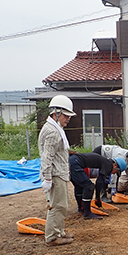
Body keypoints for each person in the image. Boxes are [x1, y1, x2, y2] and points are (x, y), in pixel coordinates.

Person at [38, 95, 77, 247]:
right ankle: (52, 236)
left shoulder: (55, 128)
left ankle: (59, 232)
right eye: (66, 116)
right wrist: (47, 178)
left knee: (62, 204)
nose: (68, 119)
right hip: (55, 174)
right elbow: (47, 157)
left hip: (59, 172)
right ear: (57, 113)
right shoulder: (53, 132)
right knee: (58, 205)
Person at [69, 152, 125, 219]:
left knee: (79, 187)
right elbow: (99, 182)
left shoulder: (105, 161)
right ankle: (87, 213)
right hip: (75, 163)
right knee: (88, 186)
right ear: (115, 165)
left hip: (71, 161)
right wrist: (98, 198)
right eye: (116, 171)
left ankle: (81, 209)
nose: (114, 173)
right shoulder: (108, 165)